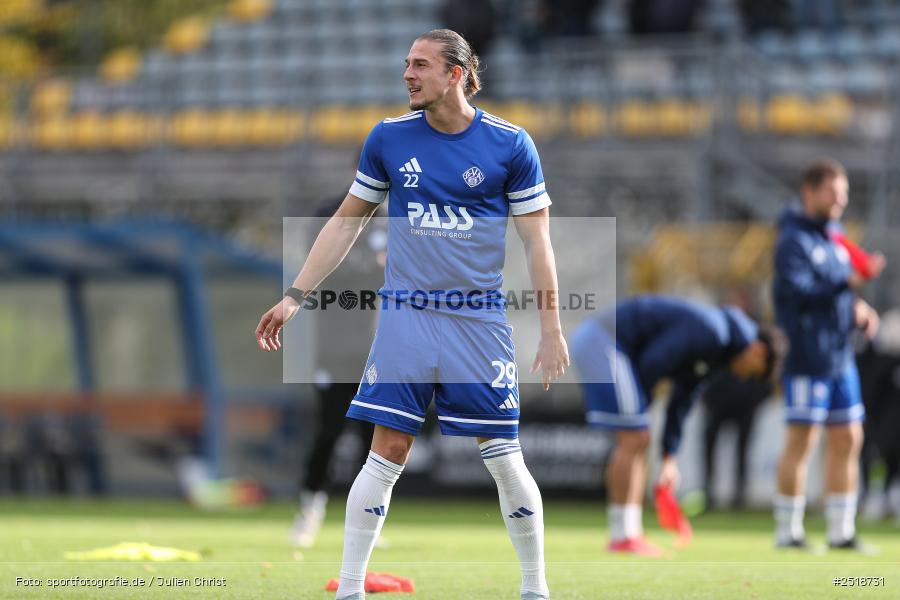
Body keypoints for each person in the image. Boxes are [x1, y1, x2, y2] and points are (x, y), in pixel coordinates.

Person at [256, 29, 568, 600]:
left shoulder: (511, 144)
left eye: (420, 65)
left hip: (478, 321)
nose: (407, 74)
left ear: (455, 73)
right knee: (387, 449)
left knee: (502, 456)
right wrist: (294, 296)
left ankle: (535, 589)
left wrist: (551, 327)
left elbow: (538, 244)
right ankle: (350, 588)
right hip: (407, 314)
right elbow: (346, 224)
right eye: (406, 64)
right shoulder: (388, 139)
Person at [569, 295, 775, 556]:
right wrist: (640, 415)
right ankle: (622, 536)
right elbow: (655, 360)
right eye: (755, 371)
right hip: (604, 340)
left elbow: (681, 402)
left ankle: (628, 534)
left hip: (611, 346)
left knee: (637, 437)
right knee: (635, 437)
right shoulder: (713, 332)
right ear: (758, 350)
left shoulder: (717, 351)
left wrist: (669, 457)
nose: (745, 376)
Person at [772, 158, 880, 551]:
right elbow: (796, 293)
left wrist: (858, 309)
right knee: (803, 439)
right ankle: (788, 531)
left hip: (839, 356)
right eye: (833, 193)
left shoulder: (834, 239)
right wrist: (843, 283)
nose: (840, 201)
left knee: (849, 437)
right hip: (807, 356)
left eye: (843, 194)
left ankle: (841, 531)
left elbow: (838, 294)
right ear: (809, 192)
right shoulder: (793, 241)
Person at [289, 197, 384, 548]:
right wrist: (370, 265)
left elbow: (394, 272)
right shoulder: (329, 212)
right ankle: (310, 510)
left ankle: (366, 520)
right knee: (328, 431)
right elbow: (323, 269)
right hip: (332, 348)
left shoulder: (387, 219)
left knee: (371, 438)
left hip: (373, 350)